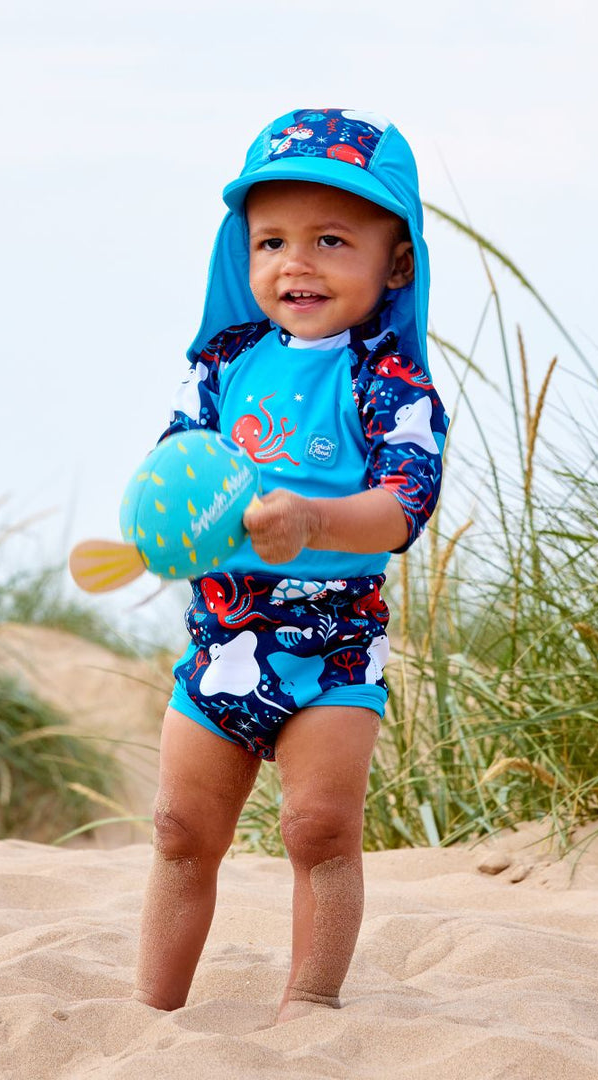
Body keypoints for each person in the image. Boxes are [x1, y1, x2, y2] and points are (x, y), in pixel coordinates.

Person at [132, 107, 449, 1021]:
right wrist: (159, 527)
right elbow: (175, 471)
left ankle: (310, 1012)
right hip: (221, 634)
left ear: (396, 261)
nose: (295, 263)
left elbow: (401, 508)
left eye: (331, 239)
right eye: (270, 240)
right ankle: (153, 1014)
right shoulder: (224, 364)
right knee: (181, 830)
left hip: (334, 645)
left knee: (320, 829)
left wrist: (312, 517)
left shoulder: (387, 379)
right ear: (242, 253)